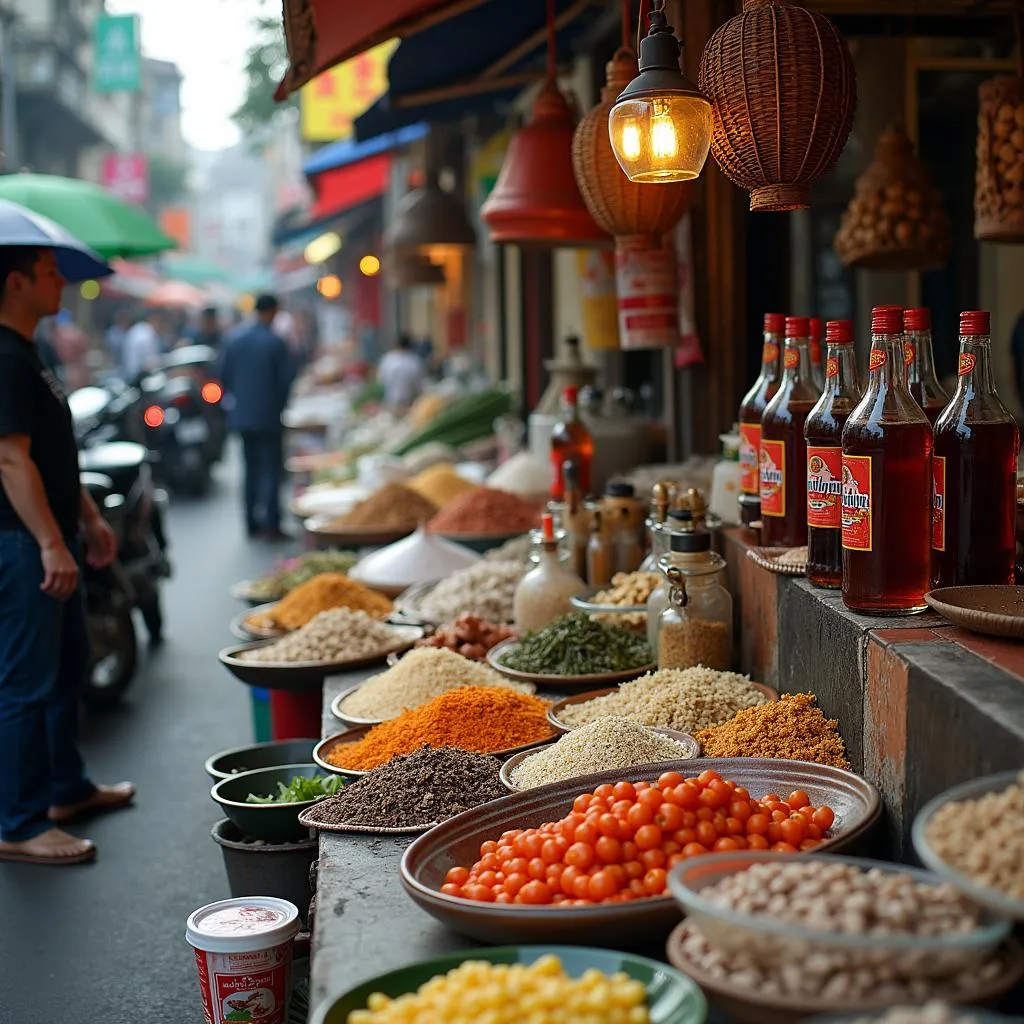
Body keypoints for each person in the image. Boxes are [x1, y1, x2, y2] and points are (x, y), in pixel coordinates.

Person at [0, 246, 135, 867]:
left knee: (67, 665)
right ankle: (20, 823)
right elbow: (10, 458)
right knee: (27, 682)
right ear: (15, 282)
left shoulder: (32, 350)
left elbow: (57, 455)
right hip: (23, 543)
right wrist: (51, 542)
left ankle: (66, 791)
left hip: (55, 535)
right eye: (50, 273)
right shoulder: (3, 356)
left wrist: (86, 518)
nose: (61, 282)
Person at [218, 294, 295, 540]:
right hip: (268, 417)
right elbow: (285, 382)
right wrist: (278, 406)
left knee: (250, 470)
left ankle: (251, 523)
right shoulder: (275, 343)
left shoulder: (234, 340)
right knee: (270, 470)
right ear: (273, 311)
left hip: (242, 416)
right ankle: (272, 523)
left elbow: (223, 377)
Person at [378, 334, 425, 410]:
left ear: (396, 344)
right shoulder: (415, 361)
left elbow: (381, 381)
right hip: (409, 405)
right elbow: (418, 386)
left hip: (390, 403)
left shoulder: (387, 359)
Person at [122, 309, 161, 381]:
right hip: (141, 375)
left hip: (129, 371)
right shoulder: (148, 333)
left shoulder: (135, 329)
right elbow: (151, 360)